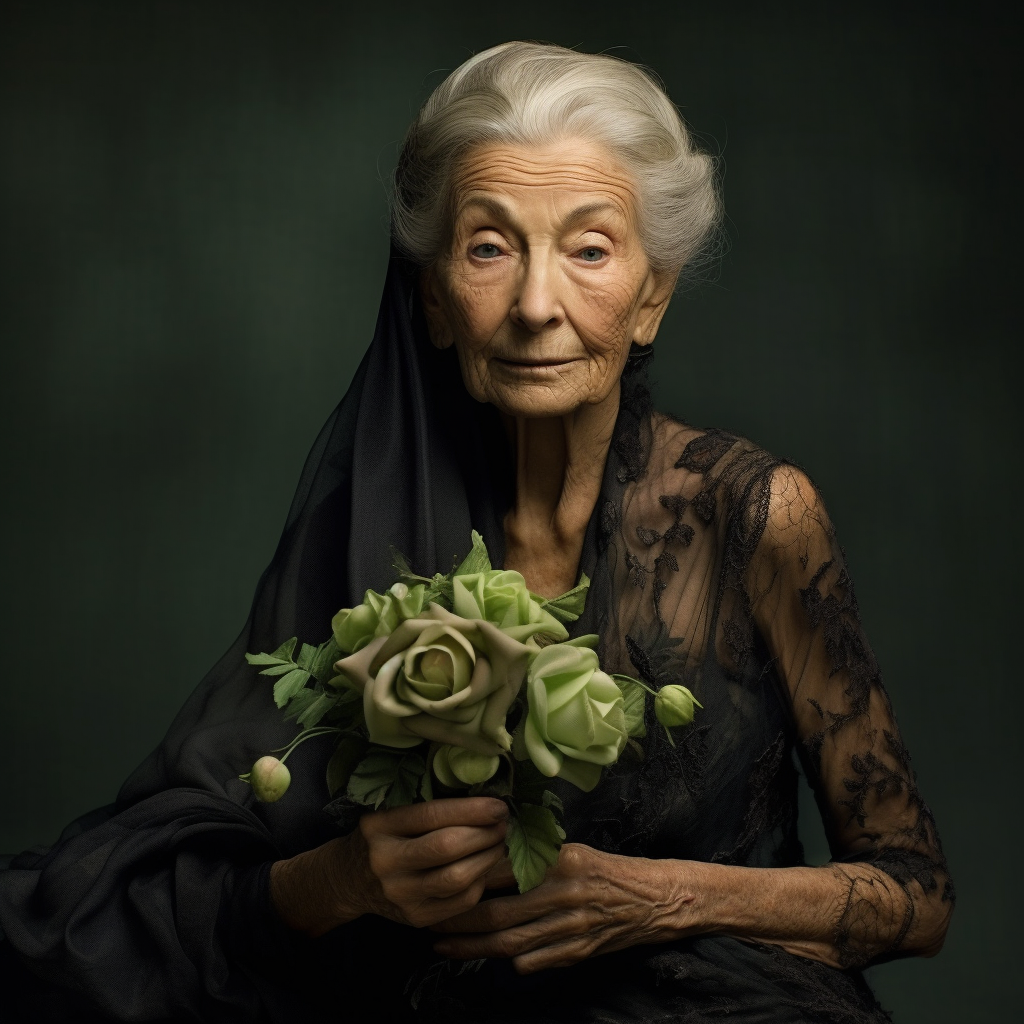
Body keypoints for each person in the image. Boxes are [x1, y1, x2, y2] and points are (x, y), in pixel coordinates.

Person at [0, 41, 952, 1024]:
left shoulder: (751, 512)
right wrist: (343, 881)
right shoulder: (365, 531)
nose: (538, 306)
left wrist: (659, 896)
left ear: (651, 296)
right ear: (434, 299)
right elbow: (186, 862)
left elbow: (915, 893)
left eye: (589, 250)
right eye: (490, 248)